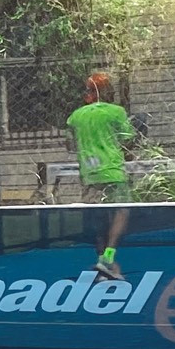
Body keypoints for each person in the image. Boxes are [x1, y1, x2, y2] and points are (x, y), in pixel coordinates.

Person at [66, 71, 136, 279]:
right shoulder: (116, 112)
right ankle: (108, 256)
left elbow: (70, 144)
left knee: (98, 217)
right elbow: (128, 139)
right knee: (122, 210)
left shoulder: (75, 116)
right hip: (112, 170)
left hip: (89, 173)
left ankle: (102, 261)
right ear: (107, 91)